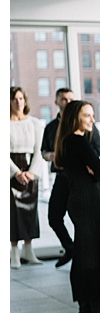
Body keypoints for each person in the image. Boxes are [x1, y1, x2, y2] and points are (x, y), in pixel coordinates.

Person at [53, 100, 100, 313]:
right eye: (87, 115)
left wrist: (93, 170)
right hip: (89, 201)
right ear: (75, 118)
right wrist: (95, 171)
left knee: (83, 256)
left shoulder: (65, 142)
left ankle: (84, 312)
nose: (92, 119)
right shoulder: (79, 141)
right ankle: (96, 312)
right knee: (94, 258)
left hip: (77, 201)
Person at [41, 87, 100, 268]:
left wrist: (85, 162)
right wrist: (54, 156)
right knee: (54, 216)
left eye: (70, 99)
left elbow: (97, 151)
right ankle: (70, 248)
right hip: (62, 176)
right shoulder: (51, 128)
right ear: (56, 102)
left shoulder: (87, 128)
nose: (67, 102)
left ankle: (81, 257)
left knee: (84, 223)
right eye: (63, 99)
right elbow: (44, 151)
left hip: (82, 180)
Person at [10, 86, 45, 269]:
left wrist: (32, 173)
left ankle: (28, 250)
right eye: (14, 99)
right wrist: (15, 172)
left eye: (21, 98)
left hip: (30, 170)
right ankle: (14, 253)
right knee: (12, 213)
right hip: (11, 172)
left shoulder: (34, 123)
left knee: (30, 212)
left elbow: (40, 150)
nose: (18, 102)